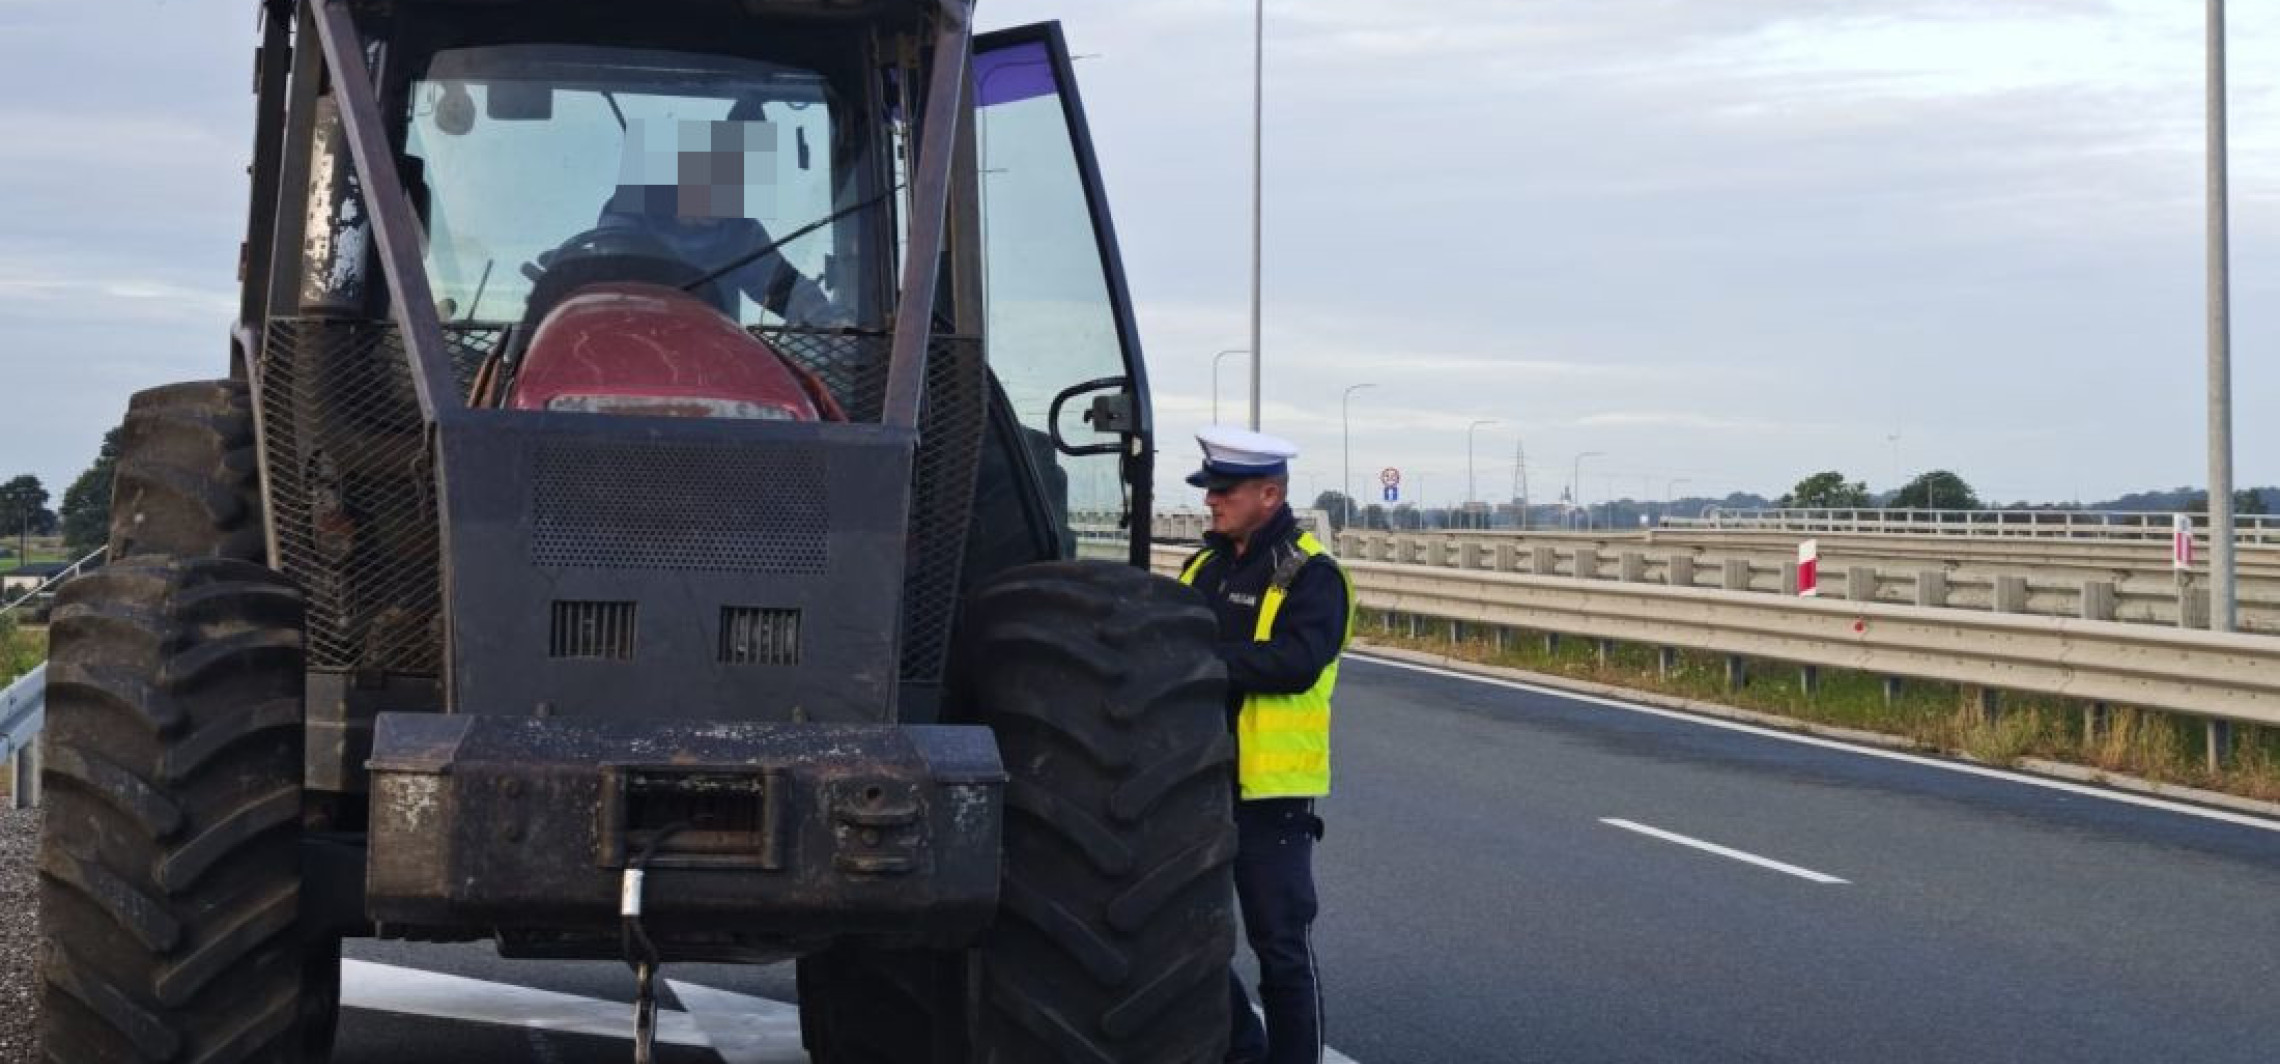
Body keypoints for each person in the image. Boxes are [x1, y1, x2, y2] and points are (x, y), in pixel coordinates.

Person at [1176, 426, 1354, 1064]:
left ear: (1270, 493)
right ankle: (1247, 1052)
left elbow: (1295, 663)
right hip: (1196, 784)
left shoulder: (1312, 574)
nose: (1210, 501)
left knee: (1280, 950)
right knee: (1183, 939)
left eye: (1224, 490)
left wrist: (1197, 662)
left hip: (1270, 793)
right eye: (1209, 489)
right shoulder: (1204, 565)